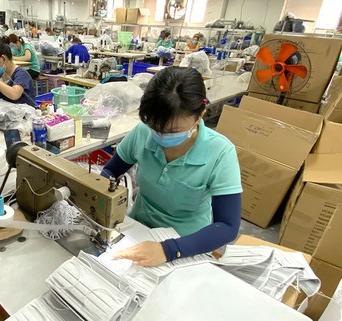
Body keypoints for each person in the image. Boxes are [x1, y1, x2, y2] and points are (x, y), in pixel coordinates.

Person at [101, 67, 242, 267]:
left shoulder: (220, 152)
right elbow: (110, 172)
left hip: (187, 244)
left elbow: (228, 226)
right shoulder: (142, 132)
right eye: (155, 128)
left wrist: (168, 250)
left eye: (173, 130)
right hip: (136, 230)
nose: (161, 136)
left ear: (200, 114)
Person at [0, 38, 35, 107]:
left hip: (24, 115)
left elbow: (14, 94)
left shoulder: (21, 74)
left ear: (3, 58)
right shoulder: (2, 74)